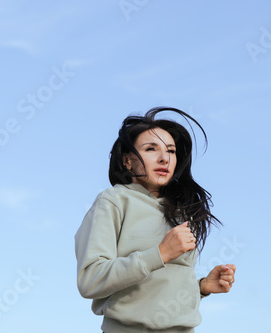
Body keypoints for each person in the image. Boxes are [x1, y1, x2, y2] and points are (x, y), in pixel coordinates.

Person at [75, 106, 236, 332]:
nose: (164, 158)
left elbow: (157, 292)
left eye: (170, 151)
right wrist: (159, 253)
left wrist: (201, 288)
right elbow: (90, 280)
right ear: (127, 161)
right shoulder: (113, 201)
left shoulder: (182, 210)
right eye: (151, 148)